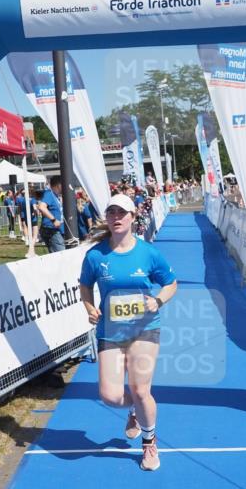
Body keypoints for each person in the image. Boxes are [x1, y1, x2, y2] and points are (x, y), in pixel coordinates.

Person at [79, 194, 177, 471]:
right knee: (110, 396)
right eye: (111, 212)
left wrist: (157, 300)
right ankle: (134, 410)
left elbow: (171, 283)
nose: (117, 217)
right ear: (107, 218)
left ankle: (149, 443)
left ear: (133, 217)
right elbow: (85, 286)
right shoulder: (95, 256)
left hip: (145, 328)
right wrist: (89, 307)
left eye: (122, 213)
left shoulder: (148, 253)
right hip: (109, 330)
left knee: (139, 388)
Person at [34, 175, 66, 253]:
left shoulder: (55, 196)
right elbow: (41, 207)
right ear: (59, 185)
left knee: (56, 255)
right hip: (51, 230)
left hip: (54, 229)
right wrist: (54, 220)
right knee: (61, 254)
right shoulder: (49, 194)